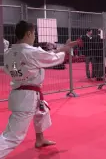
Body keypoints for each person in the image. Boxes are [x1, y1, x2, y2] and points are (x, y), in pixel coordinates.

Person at [0, 21, 78, 158]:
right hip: (27, 96)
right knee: (12, 136)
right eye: (34, 33)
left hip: (20, 92)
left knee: (41, 113)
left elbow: (42, 55)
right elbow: (50, 58)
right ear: (29, 33)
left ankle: (40, 139)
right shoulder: (30, 52)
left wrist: (62, 49)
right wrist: (65, 50)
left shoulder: (10, 52)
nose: (34, 37)